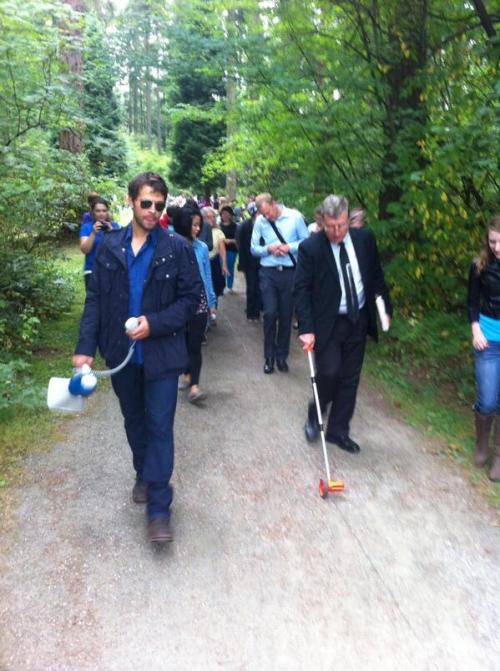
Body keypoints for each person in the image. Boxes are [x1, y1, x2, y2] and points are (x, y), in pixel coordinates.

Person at [73, 172, 202, 543]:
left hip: (161, 356)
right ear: (131, 201)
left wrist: (155, 324)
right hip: (122, 356)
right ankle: (144, 472)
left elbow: (191, 301)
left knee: (160, 426)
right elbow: (95, 300)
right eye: (146, 203)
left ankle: (159, 508)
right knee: (134, 420)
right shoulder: (109, 246)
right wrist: (85, 348)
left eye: (159, 205)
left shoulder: (177, 248)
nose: (152, 211)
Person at [294, 194, 392, 454]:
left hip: (357, 318)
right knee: (329, 372)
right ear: (321, 221)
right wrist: (306, 328)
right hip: (328, 322)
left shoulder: (365, 240)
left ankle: (338, 430)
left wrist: (384, 309)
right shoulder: (310, 248)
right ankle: (315, 413)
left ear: (348, 219)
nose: (336, 232)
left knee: (350, 378)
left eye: (341, 225)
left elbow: (376, 277)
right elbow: (301, 290)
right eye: (330, 227)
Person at [251, 192, 309, 374]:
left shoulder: (295, 217)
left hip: (290, 272)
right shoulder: (260, 222)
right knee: (269, 313)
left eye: (269, 212)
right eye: (264, 215)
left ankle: (281, 356)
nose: (268, 217)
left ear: (274, 203)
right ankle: (268, 357)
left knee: (285, 315)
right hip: (268, 272)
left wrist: (288, 247)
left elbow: (307, 241)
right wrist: (268, 249)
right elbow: (253, 248)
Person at [467, 214, 500, 481]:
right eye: (492, 242)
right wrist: (475, 328)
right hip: (487, 340)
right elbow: (472, 303)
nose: (496, 248)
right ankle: (482, 445)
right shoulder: (478, 265)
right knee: (487, 399)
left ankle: (499, 456)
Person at [174, 207, 216, 403]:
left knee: (195, 345)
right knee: (181, 344)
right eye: (195, 225)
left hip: (199, 303)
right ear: (184, 224)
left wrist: (211, 301)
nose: (198, 229)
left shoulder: (202, 248)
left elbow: (207, 276)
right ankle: (186, 372)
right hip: (177, 304)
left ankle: (195, 386)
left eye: (200, 225)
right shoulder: (171, 244)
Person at [79, 196, 120, 290]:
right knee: (94, 303)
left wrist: (112, 232)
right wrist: (93, 233)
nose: (101, 214)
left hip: (112, 270)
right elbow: (85, 250)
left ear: (107, 211)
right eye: (98, 211)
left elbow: (120, 250)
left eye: (104, 210)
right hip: (92, 270)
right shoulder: (87, 227)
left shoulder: (115, 226)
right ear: (93, 212)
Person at [236, 202, 262, 322]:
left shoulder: (264, 225)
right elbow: (240, 246)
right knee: (251, 287)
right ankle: (252, 313)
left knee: (260, 287)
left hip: (262, 262)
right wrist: (242, 264)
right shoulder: (244, 227)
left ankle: (259, 309)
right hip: (249, 262)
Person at [201, 206, 228, 309]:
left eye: (212, 217)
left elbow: (222, 250)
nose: (210, 219)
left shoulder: (218, 232)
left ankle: (213, 309)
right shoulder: (199, 230)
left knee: (215, 287)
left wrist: (224, 265)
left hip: (214, 262)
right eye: (207, 217)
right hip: (202, 262)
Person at [220, 206, 238, 293]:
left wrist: (230, 240)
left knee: (230, 267)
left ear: (231, 215)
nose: (225, 216)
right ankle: (222, 285)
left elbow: (238, 239)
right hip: (220, 250)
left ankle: (229, 286)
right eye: (223, 214)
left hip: (231, 250)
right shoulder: (218, 226)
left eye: (227, 214)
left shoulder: (235, 226)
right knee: (221, 267)